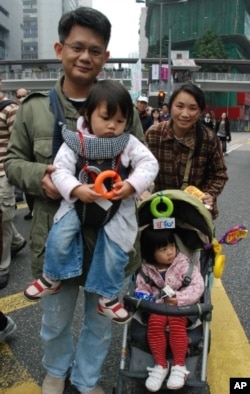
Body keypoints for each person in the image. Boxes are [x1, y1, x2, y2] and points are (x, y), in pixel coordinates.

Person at [5, 7, 145, 394]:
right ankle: (56, 371)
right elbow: (13, 163)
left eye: (95, 50)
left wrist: (129, 186)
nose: (86, 57)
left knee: (100, 321)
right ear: (60, 48)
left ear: (105, 57)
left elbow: (141, 160)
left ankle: (85, 380)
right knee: (55, 319)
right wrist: (42, 178)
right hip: (57, 232)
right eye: (77, 47)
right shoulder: (33, 109)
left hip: (109, 238)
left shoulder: (121, 109)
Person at [24, 80, 159, 326]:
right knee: (60, 234)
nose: (112, 126)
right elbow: (59, 170)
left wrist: (132, 184)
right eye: (106, 118)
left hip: (117, 206)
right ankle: (51, 277)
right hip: (78, 201)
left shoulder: (128, 142)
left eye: (120, 121)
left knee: (116, 249)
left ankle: (107, 297)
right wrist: (75, 188)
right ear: (88, 114)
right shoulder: (75, 141)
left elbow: (149, 163)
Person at [135, 226, 204, 392]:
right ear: (151, 253)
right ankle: (160, 365)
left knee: (175, 321)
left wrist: (179, 299)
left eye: (172, 246)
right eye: (163, 249)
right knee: (155, 324)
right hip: (158, 308)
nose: (170, 252)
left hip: (182, 308)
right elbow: (141, 289)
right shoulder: (146, 270)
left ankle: (179, 365)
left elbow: (198, 286)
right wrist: (145, 298)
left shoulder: (184, 265)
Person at [145, 83, 228, 220]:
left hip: (195, 210)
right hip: (159, 208)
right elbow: (138, 168)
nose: (185, 114)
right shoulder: (154, 134)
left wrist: (208, 194)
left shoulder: (209, 138)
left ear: (200, 111)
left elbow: (219, 174)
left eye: (192, 108)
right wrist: (142, 191)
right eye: (179, 106)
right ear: (170, 107)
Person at [0, 92, 26, 290]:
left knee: (3, 218)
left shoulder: (10, 109)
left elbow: (19, 144)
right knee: (4, 218)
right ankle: (16, 242)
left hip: (2, 172)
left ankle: (2, 267)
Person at [15, 88, 34, 220]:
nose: (21, 98)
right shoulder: (13, 111)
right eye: (18, 96)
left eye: (24, 95)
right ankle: (31, 209)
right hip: (21, 154)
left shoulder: (32, 111)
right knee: (26, 186)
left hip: (34, 153)